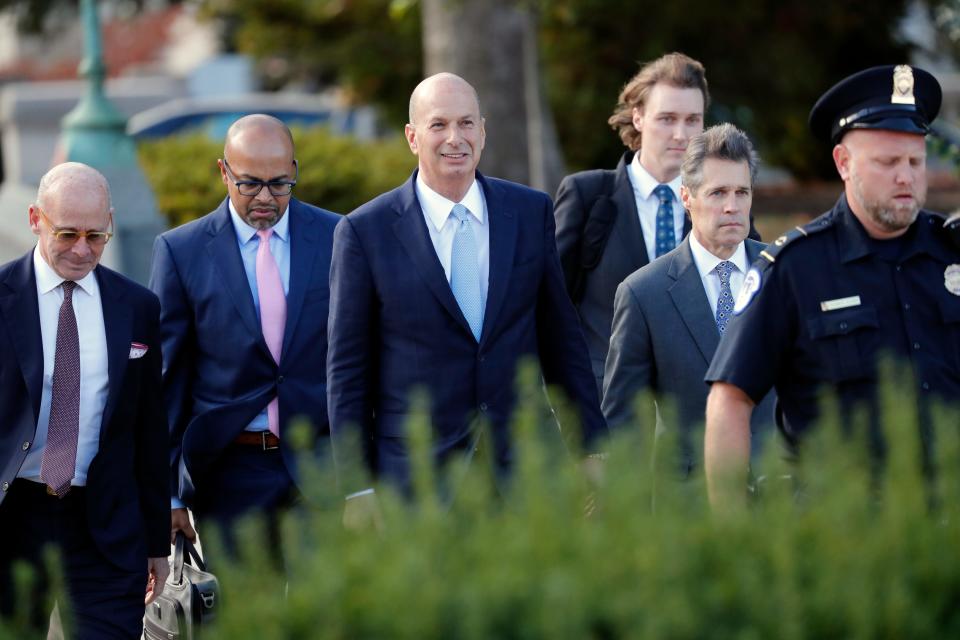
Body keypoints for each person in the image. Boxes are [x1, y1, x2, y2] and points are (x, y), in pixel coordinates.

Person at [327, 73, 606, 520]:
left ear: (483, 130)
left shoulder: (529, 213)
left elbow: (562, 341)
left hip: (523, 474)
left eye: (466, 124)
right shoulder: (364, 232)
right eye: (438, 125)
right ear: (412, 137)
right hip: (415, 481)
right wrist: (356, 489)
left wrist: (592, 447)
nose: (455, 139)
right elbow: (348, 370)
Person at [704, 65, 960, 506]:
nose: (906, 177)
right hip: (846, 533)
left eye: (916, 162)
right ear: (844, 164)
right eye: (887, 162)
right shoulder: (794, 269)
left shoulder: (951, 254)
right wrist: (732, 532)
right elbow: (730, 399)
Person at [150, 115, 340, 552]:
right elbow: (167, 381)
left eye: (279, 184)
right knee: (247, 615)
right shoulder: (181, 252)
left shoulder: (338, 236)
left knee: (328, 616)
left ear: (294, 170)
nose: (265, 198)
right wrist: (170, 492)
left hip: (322, 463)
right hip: (229, 469)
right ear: (224, 172)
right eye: (249, 184)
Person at [0, 162, 169, 638]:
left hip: (104, 522)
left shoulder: (137, 307)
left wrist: (156, 540)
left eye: (96, 236)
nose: (82, 249)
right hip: (14, 517)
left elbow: (149, 430)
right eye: (68, 233)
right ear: (36, 219)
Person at [554, 53, 761, 393]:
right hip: (605, 402)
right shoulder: (587, 196)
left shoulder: (727, 202)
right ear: (638, 118)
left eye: (693, 120)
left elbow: (751, 292)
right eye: (667, 118)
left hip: (694, 407)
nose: (681, 134)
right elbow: (552, 305)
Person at [603, 124, 776, 476]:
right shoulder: (643, 293)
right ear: (686, 197)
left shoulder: (784, 272)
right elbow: (625, 421)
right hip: (688, 502)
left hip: (783, 494)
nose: (732, 206)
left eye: (742, 192)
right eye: (717, 193)